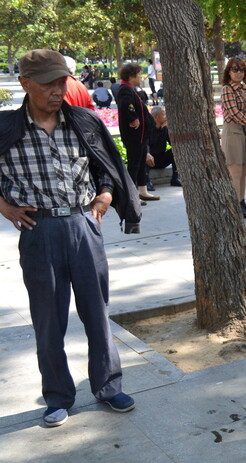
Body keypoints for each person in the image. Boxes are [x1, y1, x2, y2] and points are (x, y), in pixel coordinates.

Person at [0, 49, 142, 428]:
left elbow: (106, 166)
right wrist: (4, 206)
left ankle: (109, 386)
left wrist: (107, 195)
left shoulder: (83, 121)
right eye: (48, 83)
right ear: (26, 84)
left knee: (97, 313)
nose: (58, 89)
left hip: (83, 226)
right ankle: (58, 397)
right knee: (48, 321)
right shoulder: (6, 129)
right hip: (38, 232)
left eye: (62, 81)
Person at [220, 58, 246, 219]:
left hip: (244, 131)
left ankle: (242, 202)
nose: (238, 72)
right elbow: (233, 111)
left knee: (243, 171)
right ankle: (235, 207)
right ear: (228, 72)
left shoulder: (243, 89)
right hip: (233, 131)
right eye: (235, 69)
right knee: (235, 172)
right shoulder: (227, 89)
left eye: (241, 69)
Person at [117, 62, 159, 203]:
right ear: (131, 76)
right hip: (134, 135)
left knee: (141, 163)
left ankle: (142, 191)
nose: (141, 77)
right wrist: (133, 118)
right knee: (134, 164)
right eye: (139, 74)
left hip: (140, 135)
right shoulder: (125, 90)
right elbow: (126, 106)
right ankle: (132, 195)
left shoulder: (130, 88)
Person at [144, 106, 182, 190]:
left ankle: (175, 178)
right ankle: (146, 181)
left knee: (175, 150)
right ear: (156, 117)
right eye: (163, 114)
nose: (166, 116)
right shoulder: (148, 128)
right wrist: (147, 154)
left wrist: (170, 129)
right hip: (148, 160)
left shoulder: (165, 128)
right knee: (142, 154)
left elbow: (173, 143)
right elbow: (144, 144)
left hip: (160, 159)